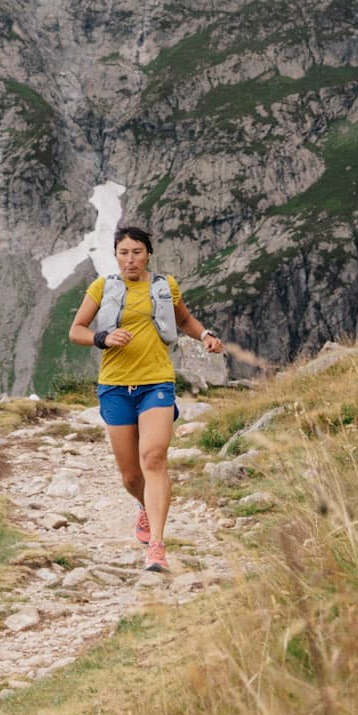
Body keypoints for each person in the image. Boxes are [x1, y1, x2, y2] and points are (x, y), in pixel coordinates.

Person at [68, 224, 224, 571]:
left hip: (156, 383)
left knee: (153, 459)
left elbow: (185, 321)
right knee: (130, 476)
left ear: (148, 254)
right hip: (115, 386)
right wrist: (102, 338)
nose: (131, 259)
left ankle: (156, 546)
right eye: (124, 253)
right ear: (116, 256)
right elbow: (76, 330)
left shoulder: (165, 286)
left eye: (137, 252)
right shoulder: (102, 287)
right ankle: (144, 507)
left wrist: (206, 336)